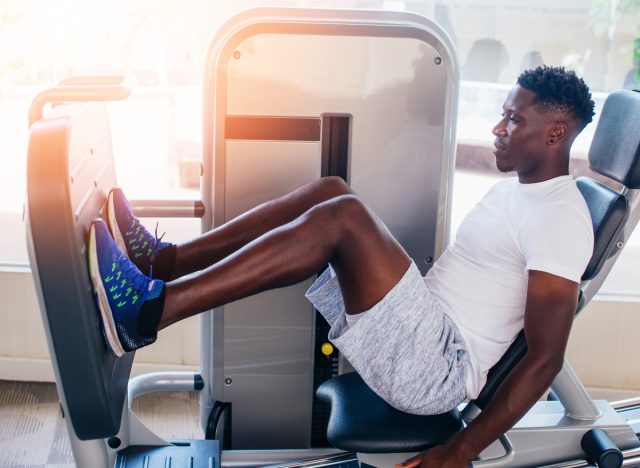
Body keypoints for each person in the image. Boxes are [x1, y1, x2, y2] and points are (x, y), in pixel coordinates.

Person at [88, 65, 595, 467]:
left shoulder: (559, 219)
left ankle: (149, 313)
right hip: (423, 333)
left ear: (555, 132)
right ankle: (164, 261)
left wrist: (458, 451)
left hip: (438, 371)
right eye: (502, 115)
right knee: (333, 192)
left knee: (344, 216)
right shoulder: (519, 191)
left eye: (513, 119)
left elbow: (544, 359)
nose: (497, 128)